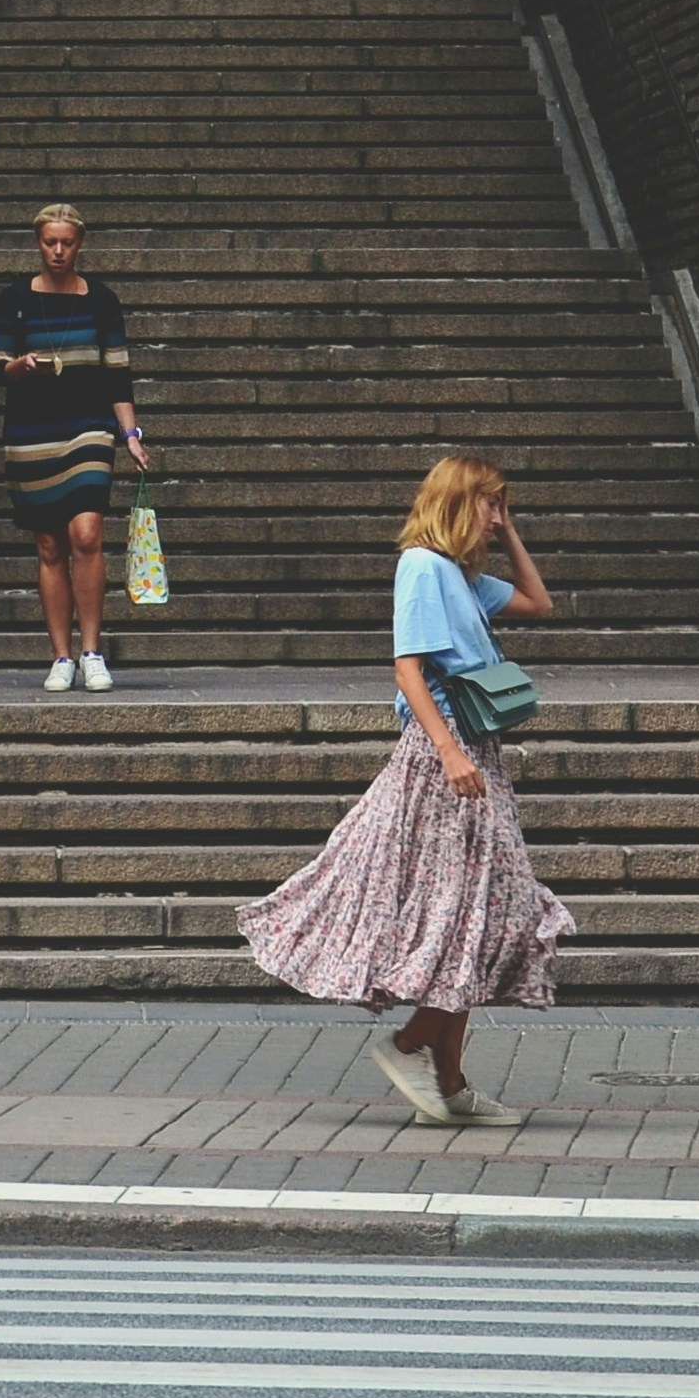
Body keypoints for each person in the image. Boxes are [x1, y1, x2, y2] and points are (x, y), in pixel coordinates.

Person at [238, 451, 570, 1125]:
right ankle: (413, 1043)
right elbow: (408, 671)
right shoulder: (422, 567)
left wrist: (508, 536)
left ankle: (446, 1086)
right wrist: (448, 752)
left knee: (476, 912)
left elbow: (539, 603)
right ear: (457, 501)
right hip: (446, 753)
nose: (493, 516)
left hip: (478, 751)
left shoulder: (459, 574)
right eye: (487, 505)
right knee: (468, 912)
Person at [0, 203, 148, 693]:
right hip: (31, 431)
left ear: (80, 244)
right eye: (49, 243)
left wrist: (131, 434)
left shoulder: (101, 300)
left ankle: (92, 651)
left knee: (87, 532)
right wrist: (19, 366)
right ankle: (61, 656)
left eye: (67, 243)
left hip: (89, 426)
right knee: (50, 543)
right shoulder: (14, 299)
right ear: (38, 243)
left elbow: (118, 373)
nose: (58, 251)